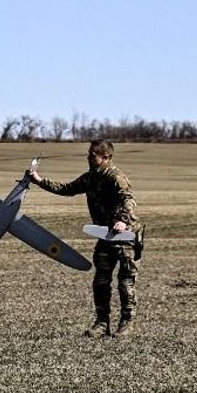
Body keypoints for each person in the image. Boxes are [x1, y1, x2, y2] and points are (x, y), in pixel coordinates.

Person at [29, 140, 144, 338]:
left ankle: (126, 324)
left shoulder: (115, 177)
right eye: (89, 154)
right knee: (100, 281)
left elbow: (128, 199)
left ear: (106, 157)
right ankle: (101, 323)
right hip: (106, 235)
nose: (89, 158)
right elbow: (67, 188)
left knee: (125, 282)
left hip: (126, 237)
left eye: (93, 155)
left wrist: (123, 221)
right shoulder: (90, 178)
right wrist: (39, 180)